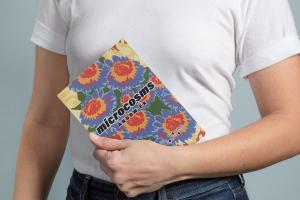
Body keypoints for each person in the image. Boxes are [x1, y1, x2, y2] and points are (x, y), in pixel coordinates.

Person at [13, 0, 300, 199]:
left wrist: (174, 163)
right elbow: (46, 120)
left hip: (201, 192)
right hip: (90, 190)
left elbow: (293, 123)